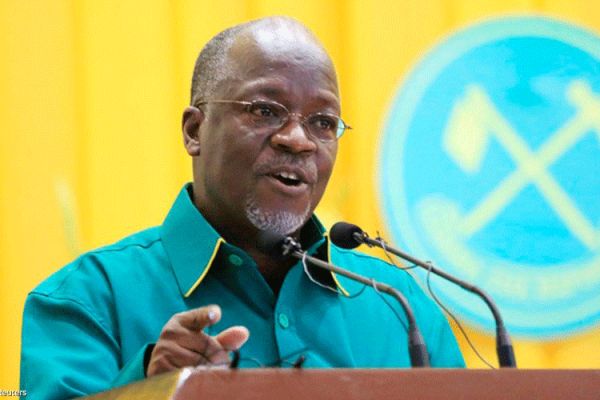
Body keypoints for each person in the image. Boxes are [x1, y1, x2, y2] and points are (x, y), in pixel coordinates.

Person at [20, 16, 464, 399]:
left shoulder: (399, 308)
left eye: (323, 122)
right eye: (265, 111)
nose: (298, 139)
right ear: (194, 131)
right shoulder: (87, 301)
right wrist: (148, 387)